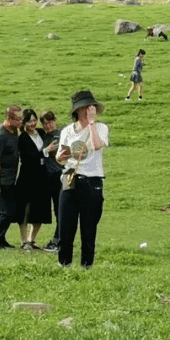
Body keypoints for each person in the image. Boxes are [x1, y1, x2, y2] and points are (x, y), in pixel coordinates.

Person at [55, 90, 109, 268]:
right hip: (70, 178)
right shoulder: (67, 131)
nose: (87, 110)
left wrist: (92, 123)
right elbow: (59, 158)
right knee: (65, 226)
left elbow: (96, 145)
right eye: (84, 107)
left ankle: (87, 265)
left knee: (88, 227)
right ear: (77, 110)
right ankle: (64, 264)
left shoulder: (101, 128)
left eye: (90, 107)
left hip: (91, 180)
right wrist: (61, 156)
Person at [16, 108, 54, 251]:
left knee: (41, 207)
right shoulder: (22, 138)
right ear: (23, 123)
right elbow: (28, 157)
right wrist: (45, 151)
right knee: (25, 208)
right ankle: (23, 240)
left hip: (42, 176)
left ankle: (32, 239)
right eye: (29, 121)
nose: (32, 123)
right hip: (27, 176)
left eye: (34, 120)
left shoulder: (41, 133)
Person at [0, 105, 23, 250]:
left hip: (10, 177)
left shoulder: (14, 131)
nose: (21, 122)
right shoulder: (0, 136)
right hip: (0, 177)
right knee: (7, 211)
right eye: (18, 119)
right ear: (9, 118)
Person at [39, 110, 64, 252]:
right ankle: (58, 239)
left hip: (58, 175)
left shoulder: (59, 135)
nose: (48, 126)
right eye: (45, 123)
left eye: (50, 122)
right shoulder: (44, 136)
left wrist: (46, 151)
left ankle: (58, 240)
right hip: (48, 177)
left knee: (60, 209)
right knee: (55, 210)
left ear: (54, 120)